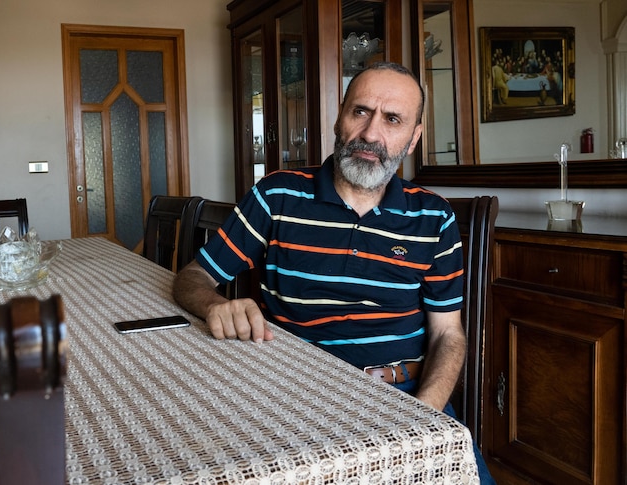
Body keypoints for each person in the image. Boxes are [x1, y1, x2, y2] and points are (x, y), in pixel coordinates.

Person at [172, 61, 495, 484]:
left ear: (413, 138)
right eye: (360, 111)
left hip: (402, 394)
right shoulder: (277, 194)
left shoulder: (434, 217)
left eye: (393, 119)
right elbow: (192, 277)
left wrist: (422, 417)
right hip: (292, 397)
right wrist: (216, 304)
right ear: (338, 119)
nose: (371, 133)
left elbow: (447, 334)